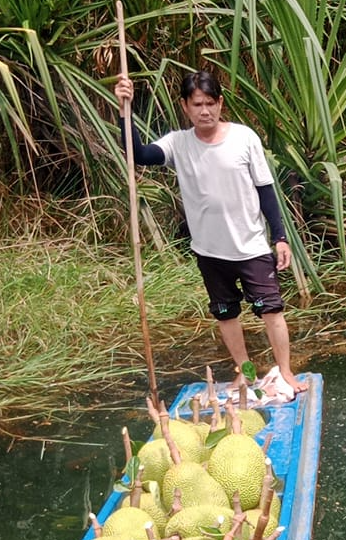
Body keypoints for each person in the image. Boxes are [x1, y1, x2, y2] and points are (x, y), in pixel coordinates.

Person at [114, 70, 307, 397]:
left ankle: (285, 372)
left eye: (210, 103)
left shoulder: (244, 138)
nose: (205, 111)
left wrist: (280, 237)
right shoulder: (179, 143)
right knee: (226, 315)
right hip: (209, 251)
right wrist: (124, 110)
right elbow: (140, 154)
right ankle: (246, 373)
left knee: (272, 311)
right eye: (197, 104)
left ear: (220, 103)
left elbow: (266, 190)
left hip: (250, 247)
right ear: (185, 107)